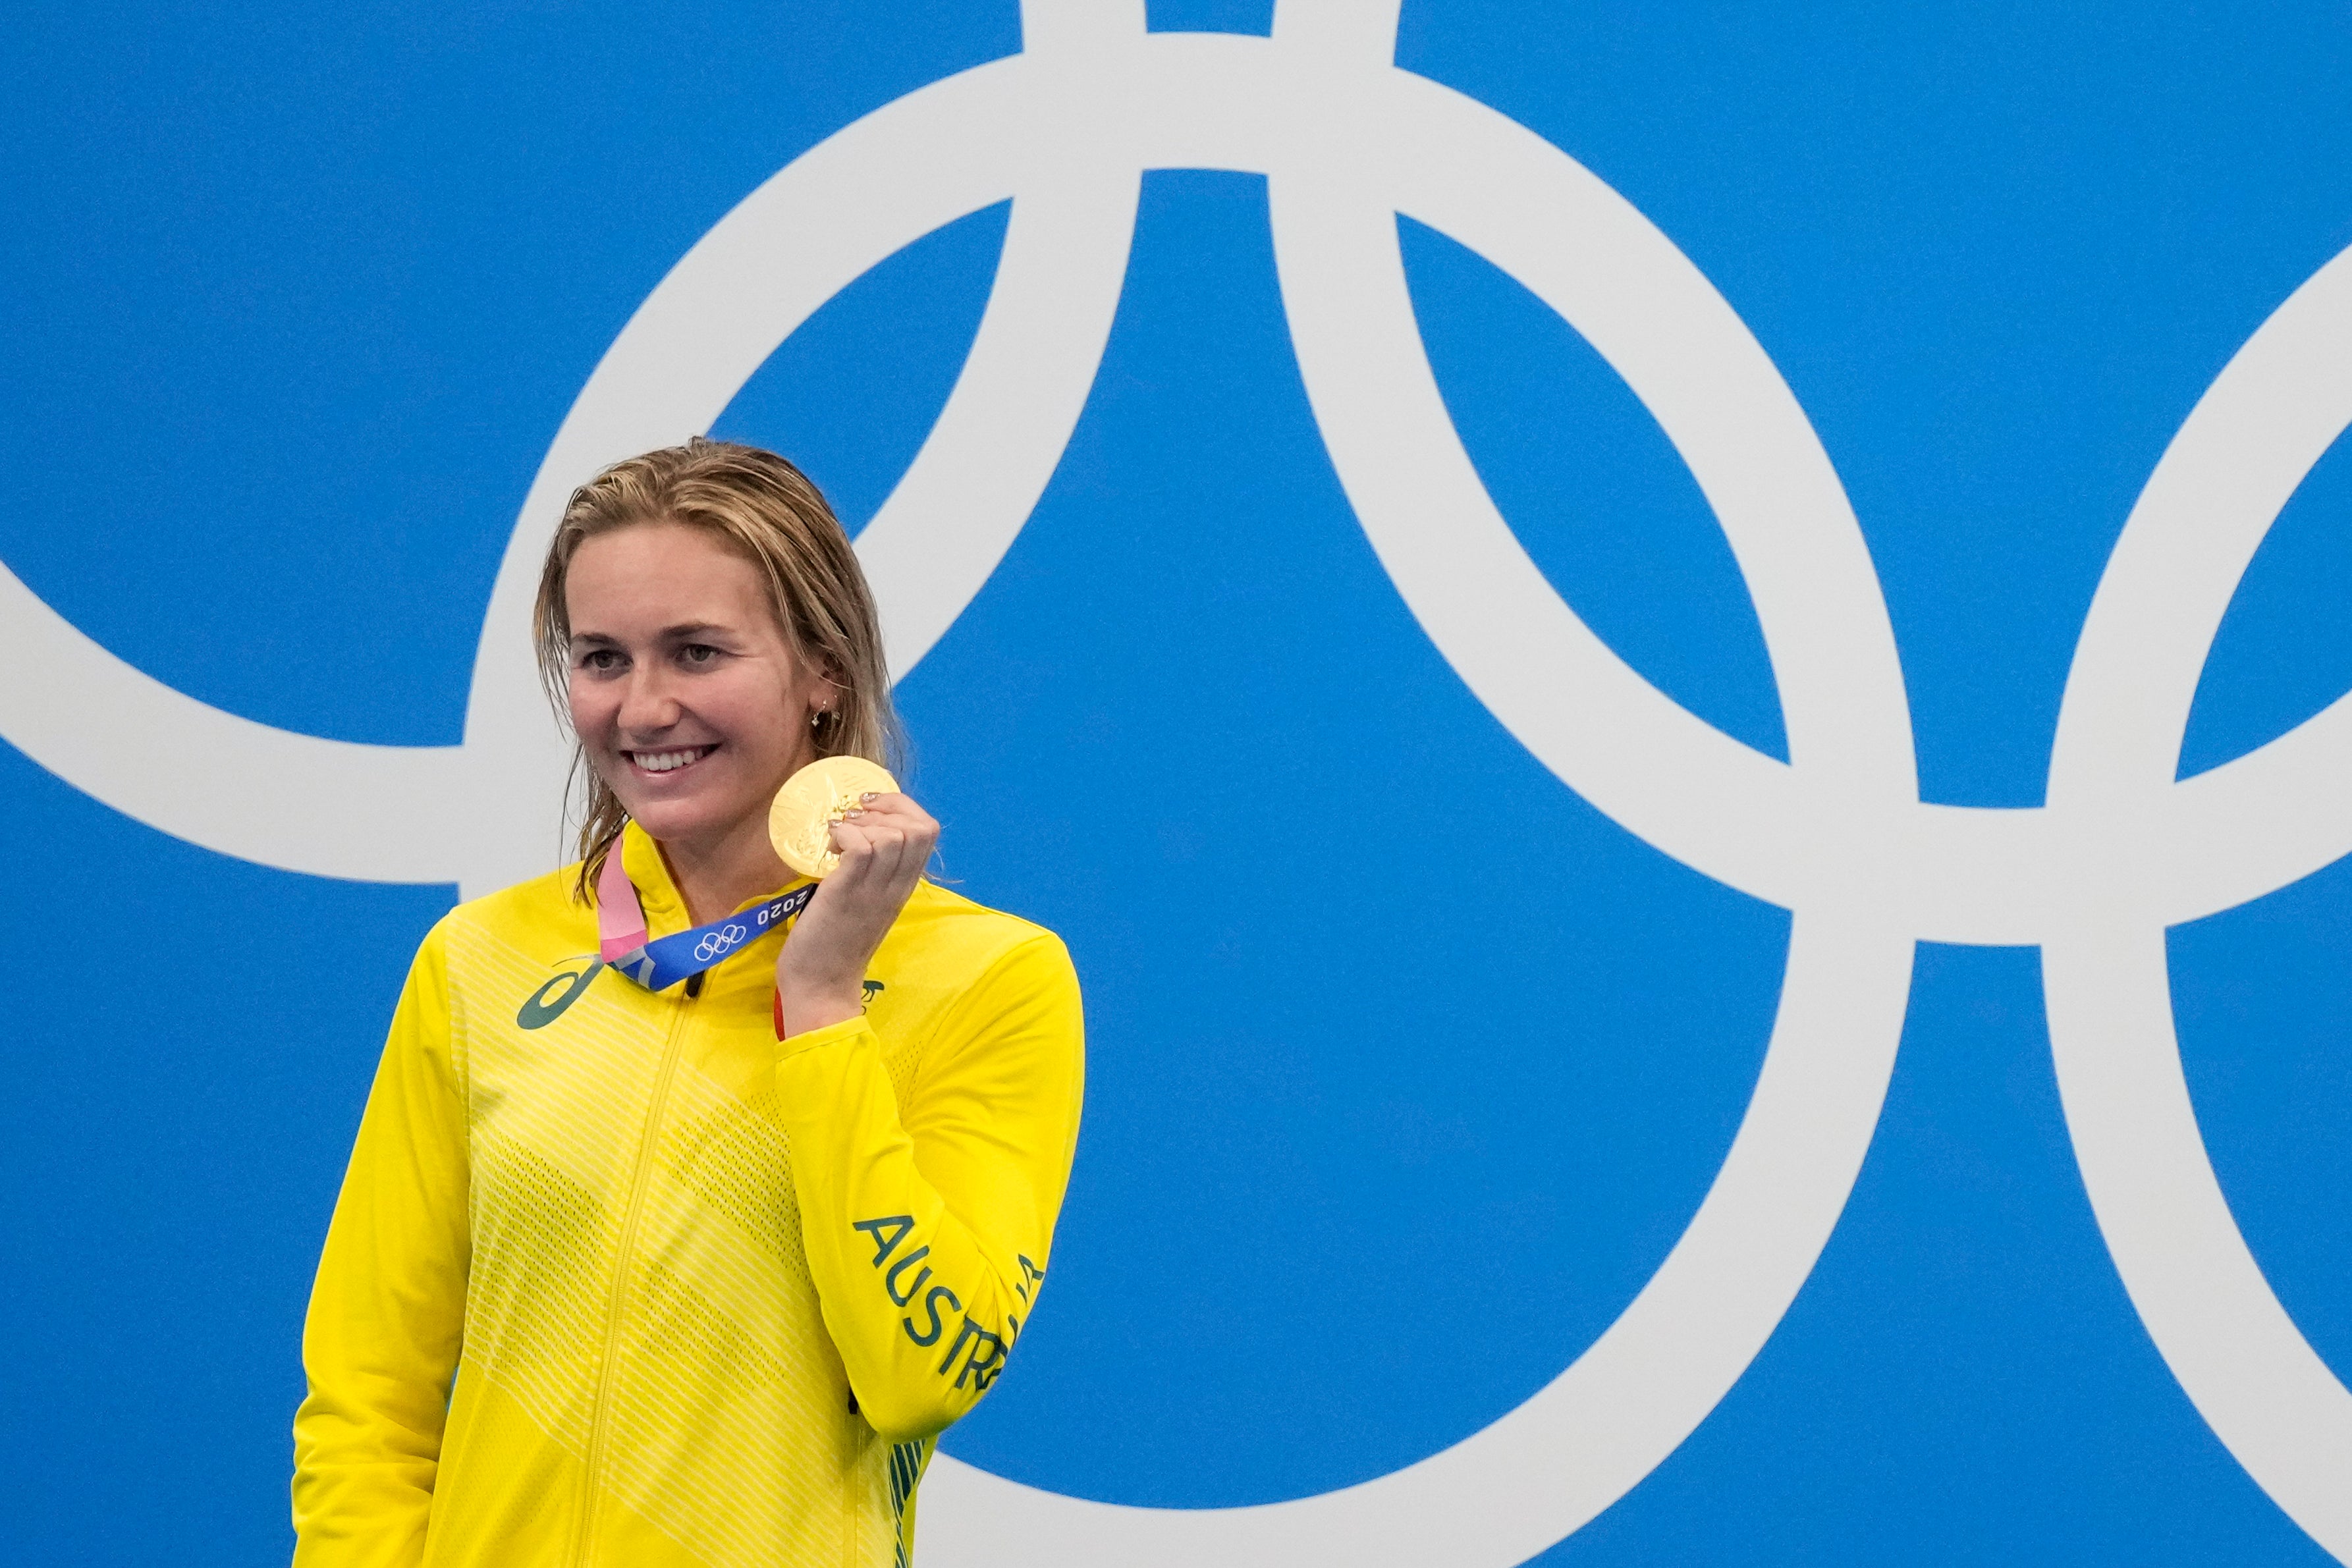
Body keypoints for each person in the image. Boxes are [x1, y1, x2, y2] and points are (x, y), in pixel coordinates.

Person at [290, 439, 1085, 1568]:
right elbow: (371, 1385)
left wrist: (820, 1003)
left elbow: (920, 1375)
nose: (644, 706)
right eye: (602, 657)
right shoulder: (482, 958)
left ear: (825, 672)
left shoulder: (988, 977)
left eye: (698, 652)